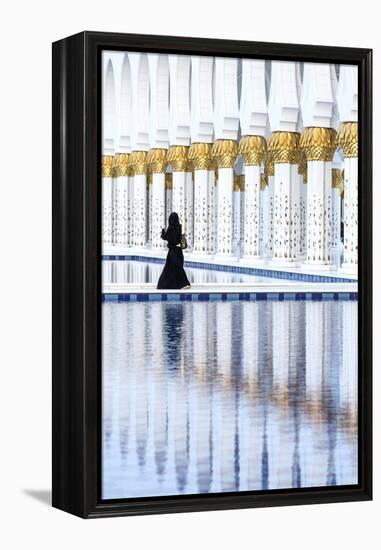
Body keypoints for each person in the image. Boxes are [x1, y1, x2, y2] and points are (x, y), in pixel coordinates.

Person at [157, 212, 191, 290]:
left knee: (170, 269)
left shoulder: (171, 228)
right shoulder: (179, 227)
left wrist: (163, 232)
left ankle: (182, 283)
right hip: (179, 251)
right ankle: (181, 284)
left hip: (172, 252)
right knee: (177, 267)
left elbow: (167, 237)